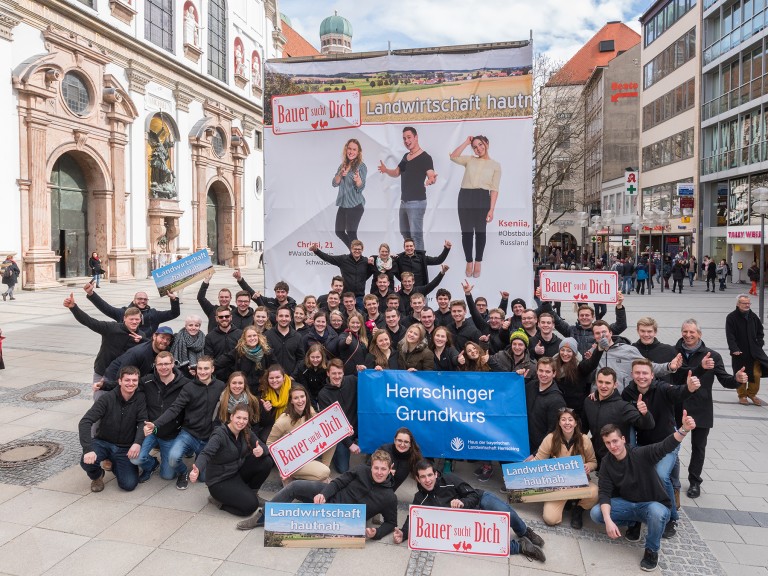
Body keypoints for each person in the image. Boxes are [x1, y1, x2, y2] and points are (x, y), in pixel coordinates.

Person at [590, 413, 697, 572]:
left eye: (615, 441)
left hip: (652, 504)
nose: (613, 446)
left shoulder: (640, 454)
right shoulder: (606, 462)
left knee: (657, 513)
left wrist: (683, 430)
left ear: (623, 440)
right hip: (629, 503)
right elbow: (604, 492)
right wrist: (608, 520)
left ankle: (651, 551)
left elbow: (665, 446)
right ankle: (634, 523)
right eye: (608, 443)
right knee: (597, 513)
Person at [392, 460, 546, 563]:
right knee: (482, 544)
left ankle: (524, 532)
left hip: (480, 501)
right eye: (423, 477)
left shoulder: (450, 479)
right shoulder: (420, 498)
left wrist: (462, 502)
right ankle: (521, 547)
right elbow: (413, 518)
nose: (427, 480)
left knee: (508, 514)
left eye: (430, 475)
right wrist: (404, 533)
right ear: (418, 479)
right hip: (469, 522)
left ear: (436, 474)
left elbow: (472, 493)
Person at [622, 359, 701, 538]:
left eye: (645, 373)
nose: (641, 377)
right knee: (640, 478)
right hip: (644, 445)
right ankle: (638, 518)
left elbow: (678, 393)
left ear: (652, 375)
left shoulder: (663, 388)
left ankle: (671, 517)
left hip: (668, 442)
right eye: (637, 373)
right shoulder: (629, 393)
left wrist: (689, 388)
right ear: (632, 374)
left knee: (660, 476)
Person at [669, 319, 747, 498]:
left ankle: (695, 481)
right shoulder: (673, 352)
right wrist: (699, 368)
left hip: (701, 407)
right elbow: (680, 374)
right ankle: (671, 480)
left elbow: (725, 380)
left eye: (692, 332)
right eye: (685, 332)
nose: (688, 335)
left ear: (700, 334)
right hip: (677, 406)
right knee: (671, 444)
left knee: (699, 447)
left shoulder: (712, 355)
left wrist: (737, 379)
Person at [240, 449, 398, 536]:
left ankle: (304, 510)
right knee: (295, 486)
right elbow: (338, 482)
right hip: (330, 498)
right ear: (371, 466)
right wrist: (324, 494)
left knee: (297, 527)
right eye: (376, 468)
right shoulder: (361, 470)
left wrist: (376, 533)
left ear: (390, 470)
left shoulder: (389, 497)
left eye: (383, 469)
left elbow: (391, 523)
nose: (378, 472)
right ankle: (262, 516)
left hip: (343, 521)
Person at [143, 356, 226, 490]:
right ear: (196, 369)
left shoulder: (221, 386)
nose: (203, 371)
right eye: (200, 368)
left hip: (209, 437)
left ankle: (200, 463)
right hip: (189, 434)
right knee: (172, 458)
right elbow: (174, 408)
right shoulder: (189, 387)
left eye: (206, 368)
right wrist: (156, 424)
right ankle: (183, 472)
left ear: (212, 369)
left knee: (203, 478)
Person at [189, 404, 273, 517]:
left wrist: (261, 450)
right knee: (250, 507)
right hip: (220, 481)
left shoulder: (246, 431)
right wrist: (197, 469)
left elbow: (264, 446)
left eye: (245, 419)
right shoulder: (219, 434)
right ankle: (218, 502)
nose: (241, 421)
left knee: (266, 461)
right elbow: (206, 453)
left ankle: (253, 494)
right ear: (231, 417)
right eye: (238, 417)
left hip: (236, 473)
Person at [78, 366, 146, 492]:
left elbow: (143, 422)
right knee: (86, 461)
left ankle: (117, 465)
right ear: (119, 381)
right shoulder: (107, 398)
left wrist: (137, 443)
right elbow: (85, 422)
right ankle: (97, 475)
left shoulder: (140, 399)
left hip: (125, 447)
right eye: (127, 380)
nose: (131, 383)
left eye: (134, 380)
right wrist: (88, 449)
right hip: (103, 442)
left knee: (128, 485)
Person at [533, 407, 598, 528]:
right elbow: (537, 462)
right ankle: (564, 501)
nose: (567, 423)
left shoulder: (584, 440)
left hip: (579, 484)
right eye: (563, 419)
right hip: (558, 485)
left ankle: (578, 509)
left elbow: (593, 462)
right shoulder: (550, 438)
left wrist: (588, 466)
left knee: (595, 492)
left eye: (570, 419)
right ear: (559, 422)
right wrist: (517, 475)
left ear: (575, 422)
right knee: (550, 519)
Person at [130, 351, 189, 483]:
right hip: (150, 430)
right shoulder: (147, 380)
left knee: (167, 476)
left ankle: (177, 467)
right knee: (136, 458)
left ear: (173, 364)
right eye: (160, 364)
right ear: (155, 365)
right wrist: (105, 385)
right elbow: (129, 385)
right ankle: (151, 465)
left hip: (170, 433)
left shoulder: (185, 384)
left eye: (167, 364)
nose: (163, 367)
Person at [449, 135, 501, 278]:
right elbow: (453, 156)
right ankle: (468, 261)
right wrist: (466, 142)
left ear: (487, 143)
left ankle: (478, 260)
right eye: (475, 147)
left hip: (482, 198)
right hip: (465, 196)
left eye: (480, 145)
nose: (478, 148)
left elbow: (495, 189)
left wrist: (491, 209)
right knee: (466, 232)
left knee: (480, 232)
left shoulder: (495, 165)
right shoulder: (470, 160)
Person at [63, 290, 143, 383]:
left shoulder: (141, 335)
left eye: (137, 319)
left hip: (125, 377)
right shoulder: (111, 328)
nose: (134, 322)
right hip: (102, 373)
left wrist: (142, 340)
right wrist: (73, 307)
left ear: (140, 320)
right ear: (124, 318)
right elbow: (90, 322)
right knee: (100, 397)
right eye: (131, 319)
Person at [378, 126, 437, 250]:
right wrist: (385, 170)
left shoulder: (425, 157)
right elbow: (396, 172)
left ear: (416, 137)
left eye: (409, 137)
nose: (406, 141)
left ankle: (420, 266)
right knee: (405, 233)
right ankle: (411, 259)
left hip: (417, 202)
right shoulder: (406, 157)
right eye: (404, 139)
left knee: (416, 236)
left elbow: (431, 174)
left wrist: (431, 179)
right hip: (404, 202)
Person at [582, 367, 655, 464]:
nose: (603, 386)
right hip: (596, 457)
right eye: (600, 382)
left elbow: (648, 425)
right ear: (596, 382)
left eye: (608, 383)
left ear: (615, 385)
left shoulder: (623, 406)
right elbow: (583, 429)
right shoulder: (589, 402)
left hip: (616, 460)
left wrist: (645, 413)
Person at [266, 384, 332, 484]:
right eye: (296, 398)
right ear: (291, 401)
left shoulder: (310, 410)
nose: (300, 400)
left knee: (333, 436)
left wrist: (344, 430)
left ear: (306, 397)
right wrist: (283, 467)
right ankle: (315, 476)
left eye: (302, 396)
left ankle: (320, 474)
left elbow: (322, 426)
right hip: (294, 460)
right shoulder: (282, 421)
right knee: (325, 472)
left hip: (308, 451)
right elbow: (269, 444)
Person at [590, 320, 680, 392]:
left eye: (604, 332)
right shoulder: (592, 352)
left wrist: (669, 366)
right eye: (597, 333)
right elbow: (588, 376)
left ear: (610, 333)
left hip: (622, 398)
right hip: (600, 399)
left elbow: (648, 367)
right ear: (594, 336)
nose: (602, 336)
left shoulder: (628, 350)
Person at [84, 285, 180, 338]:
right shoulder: (123, 312)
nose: (142, 301)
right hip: (127, 348)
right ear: (134, 300)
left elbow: (174, 313)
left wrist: (174, 299)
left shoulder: (154, 314)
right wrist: (91, 294)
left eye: (145, 299)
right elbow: (106, 308)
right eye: (140, 298)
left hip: (146, 348)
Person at [318, 359, 359, 474]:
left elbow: (371, 381)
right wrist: (349, 444)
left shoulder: (352, 380)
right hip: (340, 433)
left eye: (339, 373)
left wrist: (377, 371)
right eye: (334, 373)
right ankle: (334, 451)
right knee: (343, 469)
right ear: (328, 373)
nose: (337, 376)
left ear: (343, 372)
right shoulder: (323, 394)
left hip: (357, 426)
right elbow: (331, 424)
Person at [725, 294, 768, 405]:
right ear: (738, 304)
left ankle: (752, 394)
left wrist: (760, 342)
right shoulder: (731, 317)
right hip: (740, 351)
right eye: (744, 303)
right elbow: (730, 335)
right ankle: (742, 395)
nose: (747, 305)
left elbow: (760, 331)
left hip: (754, 351)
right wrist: (734, 348)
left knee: (756, 374)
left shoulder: (753, 316)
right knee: (741, 374)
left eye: (749, 303)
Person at [310, 240, 374, 308]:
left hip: (359, 297)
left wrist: (373, 257)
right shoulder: (343, 259)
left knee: (360, 317)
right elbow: (329, 258)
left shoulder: (365, 261)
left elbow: (373, 269)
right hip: (345, 297)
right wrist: (316, 251)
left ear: (362, 250)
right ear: (351, 249)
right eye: (355, 249)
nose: (357, 251)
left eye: (359, 249)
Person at [552, 337, 602, 423]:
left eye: (569, 351)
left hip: (576, 413)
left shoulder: (580, 366)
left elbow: (591, 364)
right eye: (562, 350)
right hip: (558, 410)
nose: (565, 353)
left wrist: (599, 350)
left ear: (574, 353)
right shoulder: (553, 364)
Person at [332, 138, 367, 249]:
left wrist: (357, 180)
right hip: (343, 204)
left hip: (355, 205)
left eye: (354, 150)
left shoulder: (361, 166)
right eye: (349, 149)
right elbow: (334, 183)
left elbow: (361, 186)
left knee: (351, 233)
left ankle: (357, 259)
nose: (351, 152)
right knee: (339, 231)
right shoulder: (342, 166)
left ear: (358, 152)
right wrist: (341, 174)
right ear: (346, 150)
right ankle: (355, 255)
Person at [215, 326, 272, 393]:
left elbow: (274, 368)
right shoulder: (238, 352)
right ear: (245, 339)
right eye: (249, 336)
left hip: (261, 391)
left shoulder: (266, 352)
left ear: (258, 337)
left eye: (254, 335)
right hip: (243, 391)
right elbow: (220, 362)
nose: (252, 338)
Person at [377, 427, 423, 492]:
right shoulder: (384, 450)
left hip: (389, 493)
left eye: (406, 442)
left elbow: (424, 470)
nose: (402, 444)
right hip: (374, 487)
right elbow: (368, 467)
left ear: (410, 444)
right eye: (399, 440)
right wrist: (384, 471)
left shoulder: (414, 456)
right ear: (394, 440)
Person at [293, 344, 328, 409]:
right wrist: (313, 406)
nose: (315, 360)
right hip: (308, 394)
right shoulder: (302, 367)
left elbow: (325, 386)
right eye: (312, 357)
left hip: (321, 394)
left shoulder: (326, 367)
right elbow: (305, 387)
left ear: (322, 357)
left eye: (318, 357)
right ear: (308, 356)